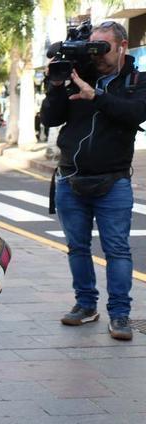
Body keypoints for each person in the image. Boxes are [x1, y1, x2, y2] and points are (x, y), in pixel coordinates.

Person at [41, 20, 146, 340]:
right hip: (70, 179)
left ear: (123, 46)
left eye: (103, 48)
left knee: (117, 251)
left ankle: (120, 315)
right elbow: (50, 119)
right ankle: (86, 306)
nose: (97, 55)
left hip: (113, 181)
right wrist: (56, 86)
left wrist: (95, 95)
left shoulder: (137, 80)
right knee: (77, 248)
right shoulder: (78, 75)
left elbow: (134, 114)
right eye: (92, 48)